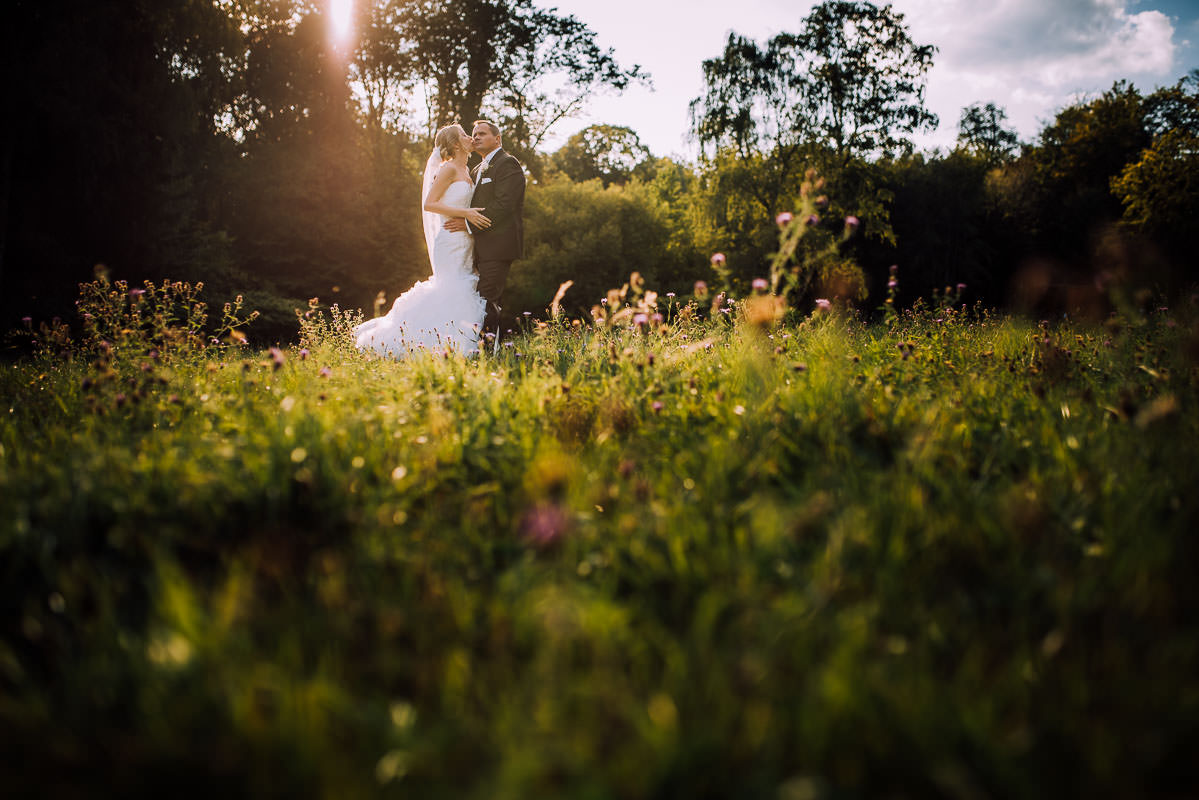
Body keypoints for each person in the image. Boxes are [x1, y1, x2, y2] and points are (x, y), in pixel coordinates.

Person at [354, 124, 490, 357]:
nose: (470, 138)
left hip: (465, 241)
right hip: (448, 240)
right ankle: (430, 343)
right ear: (456, 144)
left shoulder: (468, 171)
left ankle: (454, 340)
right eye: (465, 135)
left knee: (461, 286)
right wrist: (466, 214)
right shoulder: (447, 169)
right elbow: (430, 203)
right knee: (450, 287)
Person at [443, 120, 526, 351]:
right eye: (474, 134)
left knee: (487, 298)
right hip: (476, 247)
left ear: (497, 139)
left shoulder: (508, 164)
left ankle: (488, 350)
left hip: (499, 246)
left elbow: (504, 205)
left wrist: (468, 225)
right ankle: (478, 346)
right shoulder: (477, 169)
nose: (476, 137)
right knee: (478, 298)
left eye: (482, 133)